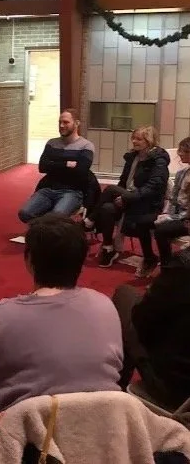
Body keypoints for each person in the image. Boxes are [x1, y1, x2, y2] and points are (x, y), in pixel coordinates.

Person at [0, 214, 123, 427]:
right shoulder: (105, 304)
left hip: (30, 438)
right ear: (81, 262)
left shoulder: (4, 316)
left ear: (29, 260)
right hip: (102, 424)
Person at [112, 245, 190, 409]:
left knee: (125, 295)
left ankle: (114, 397)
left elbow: (142, 319)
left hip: (174, 388)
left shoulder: (183, 265)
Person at [83, 126, 170, 270]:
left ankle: (89, 220)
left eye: (139, 139)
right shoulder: (132, 157)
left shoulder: (158, 160)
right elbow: (123, 182)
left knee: (110, 189)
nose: (134, 141)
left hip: (146, 203)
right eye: (133, 138)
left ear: (149, 141)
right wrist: (120, 197)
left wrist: (127, 197)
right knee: (107, 208)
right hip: (129, 198)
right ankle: (108, 247)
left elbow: (154, 187)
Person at [18, 109, 95, 223]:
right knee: (25, 213)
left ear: (77, 123)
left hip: (72, 191)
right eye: (59, 122)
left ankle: (48, 233)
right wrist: (66, 164)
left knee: (54, 218)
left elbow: (81, 171)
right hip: (48, 189)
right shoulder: (52, 143)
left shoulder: (86, 146)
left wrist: (54, 163)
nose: (61, 125)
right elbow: (43, 167)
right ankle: (43, 231)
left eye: (66, 122)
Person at [150, 137, 190, 270]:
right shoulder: (181, 173)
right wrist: (168, 214)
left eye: (183, 151)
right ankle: (155, 260)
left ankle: (167, 267)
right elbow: (173, 198)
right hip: (179, 215)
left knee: (161, 231)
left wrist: (171, 218)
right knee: (148, 222)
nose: (179, 153)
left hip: (186, 219)